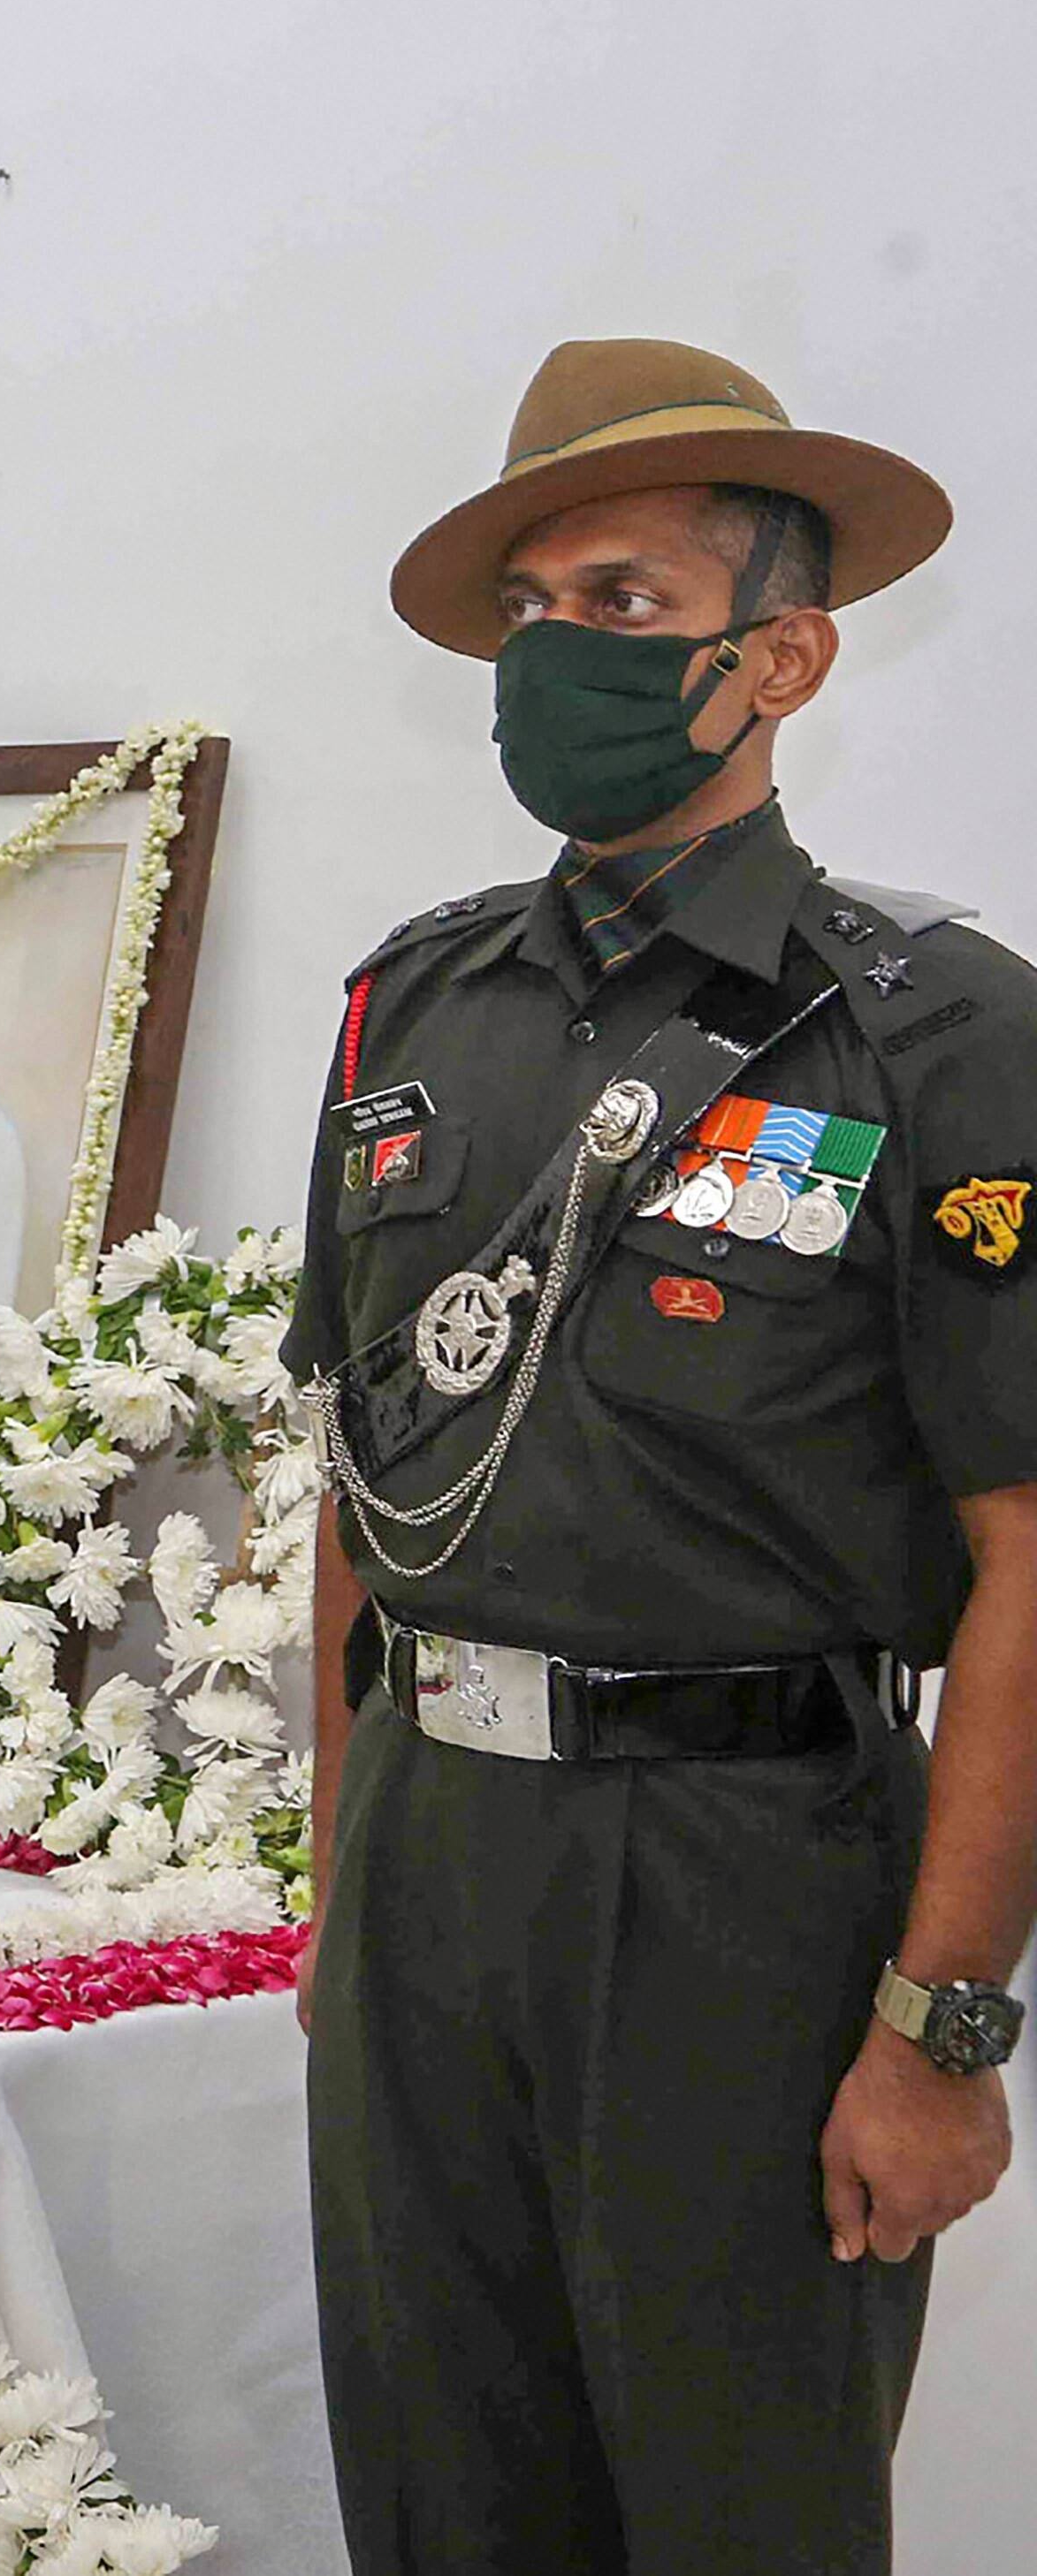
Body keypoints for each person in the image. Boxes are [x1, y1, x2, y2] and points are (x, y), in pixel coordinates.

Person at [297, 337, 1032, 2572]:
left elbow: (1026, 1554)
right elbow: (356, 1477)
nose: (551, 657)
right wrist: (342, 1897)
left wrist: (941, 2024)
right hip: (427, 1853)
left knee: (736, 2512)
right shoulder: (408, 1008)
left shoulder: (935, 1027)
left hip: (740, 1870)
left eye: (616, 604)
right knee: (440, 2493)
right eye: (529, 609)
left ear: (773, 656)